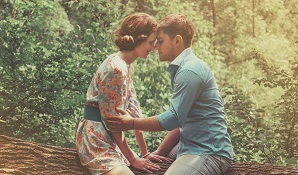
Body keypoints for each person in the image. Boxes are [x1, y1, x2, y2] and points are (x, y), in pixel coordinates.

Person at [106, 14, 234, 175]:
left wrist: (131, 123)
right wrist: (159, 152)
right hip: (188, 145)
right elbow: (181, 122)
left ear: (177, 41)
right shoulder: (182, 68)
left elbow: (174, 118)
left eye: (160, 41)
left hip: (208, 150)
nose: (155, 47)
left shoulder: (190, 71)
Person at [76, 12, 170, 175]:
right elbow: (114, 122)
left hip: (109, 139)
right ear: (139, 40)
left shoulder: (126, 66)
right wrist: (133, 159)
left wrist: (145, 154)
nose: (154, 48)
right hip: (96, 139)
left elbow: (134, 113)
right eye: (150, 42)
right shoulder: (116, 69)